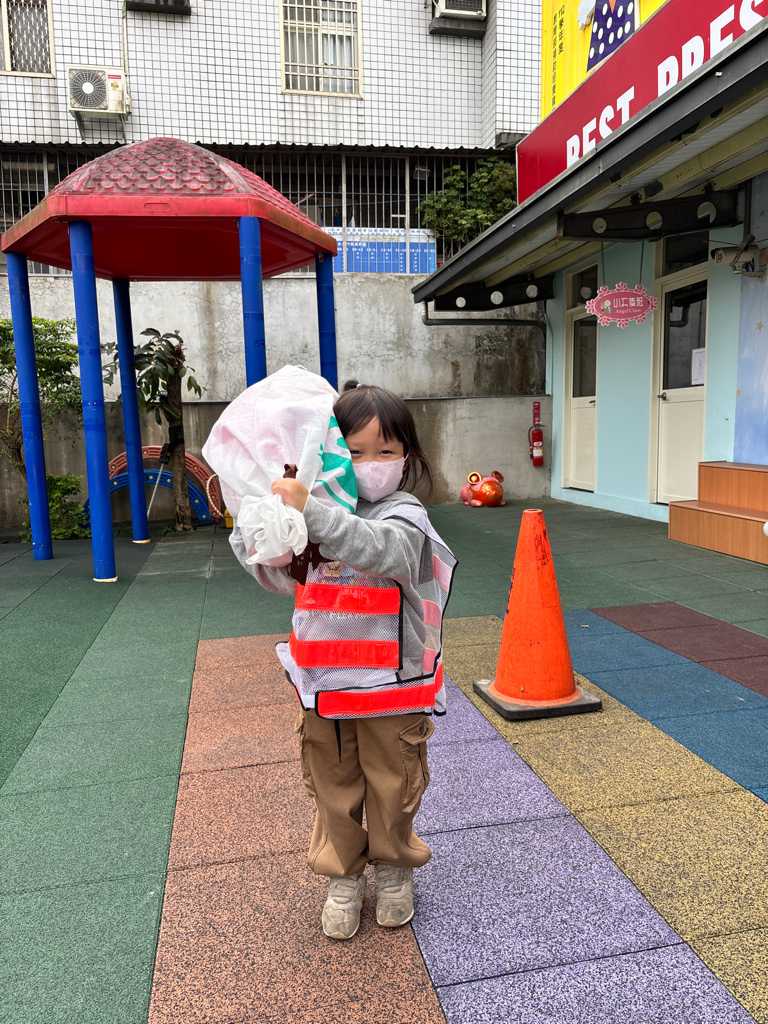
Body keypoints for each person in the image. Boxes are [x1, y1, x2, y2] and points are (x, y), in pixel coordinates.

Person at [229, 379, 457, 940]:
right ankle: (343, 875)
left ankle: (395, 866)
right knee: (333, 784)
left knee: (394, 781)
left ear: (407, 456)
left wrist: (311, 512)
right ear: (329, 452)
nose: (371, 465)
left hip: (393, 688)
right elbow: (283, 579)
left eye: (386, 450)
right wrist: (260, 530)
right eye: (355, 452)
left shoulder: (405, 513)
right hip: (326, 685)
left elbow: (382, 549)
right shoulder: (312, 509)